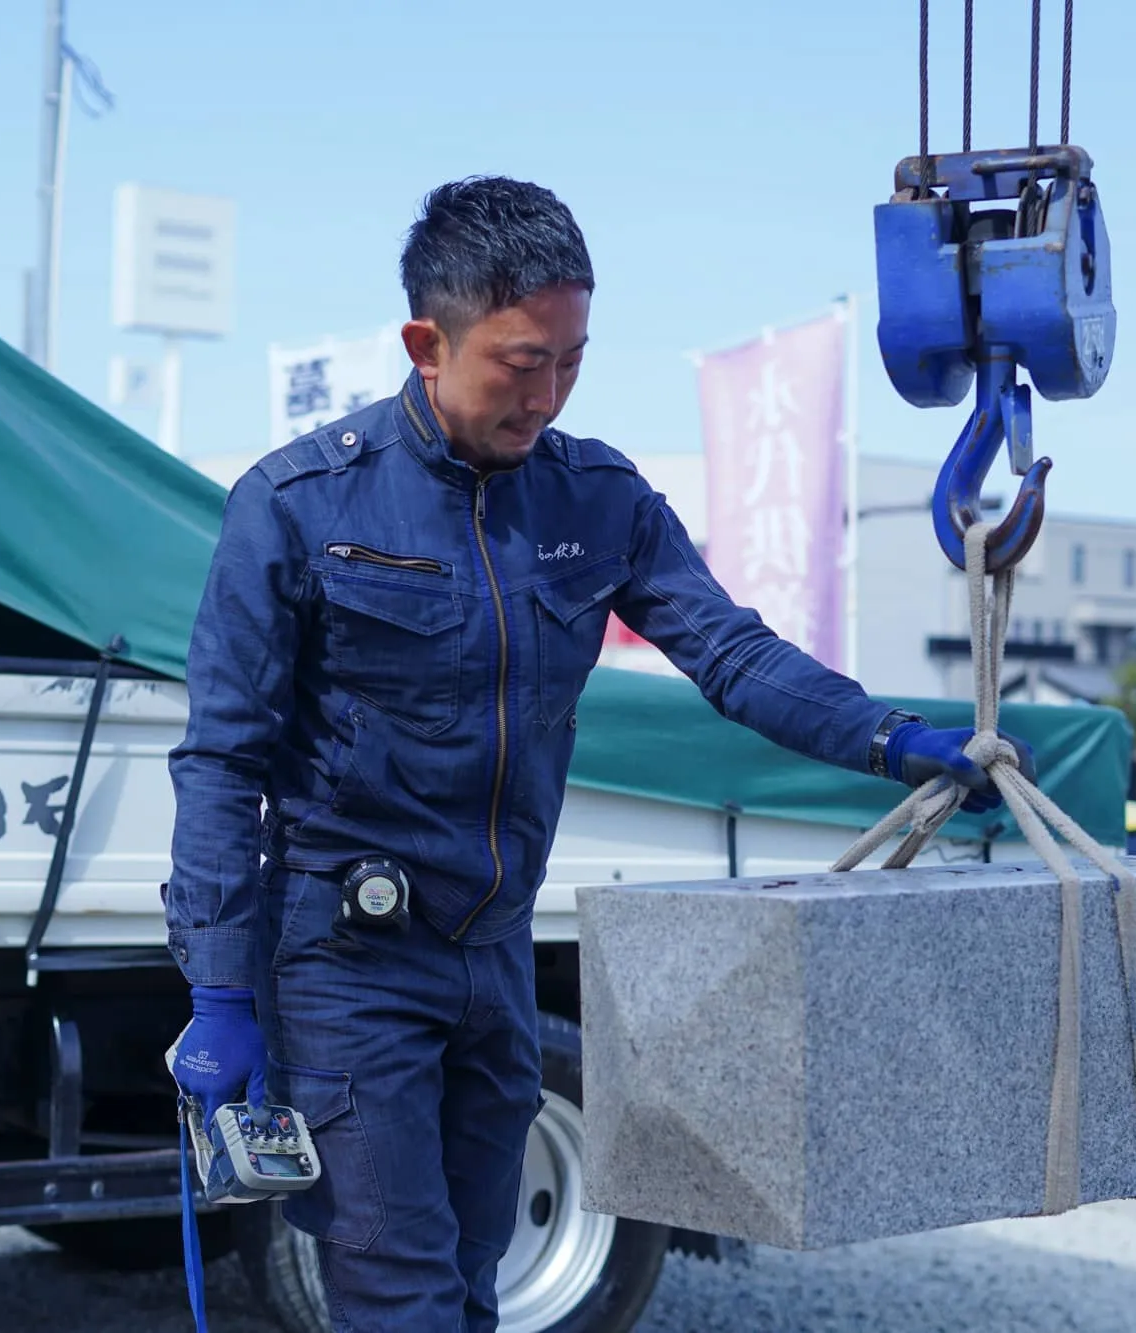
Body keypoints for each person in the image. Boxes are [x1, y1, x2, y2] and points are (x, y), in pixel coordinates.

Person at [163, 175, 1035, 1331]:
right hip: (346, 961)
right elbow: (221, 762)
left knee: (471, 1289)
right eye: (521, 363)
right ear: (426, 343)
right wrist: (221, 989)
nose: (546, 396)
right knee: (402, 1298)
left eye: (571, 362)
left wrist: (891, 739)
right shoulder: (296, 505)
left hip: (494, 957)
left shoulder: (597, 500)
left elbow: (730, 652)